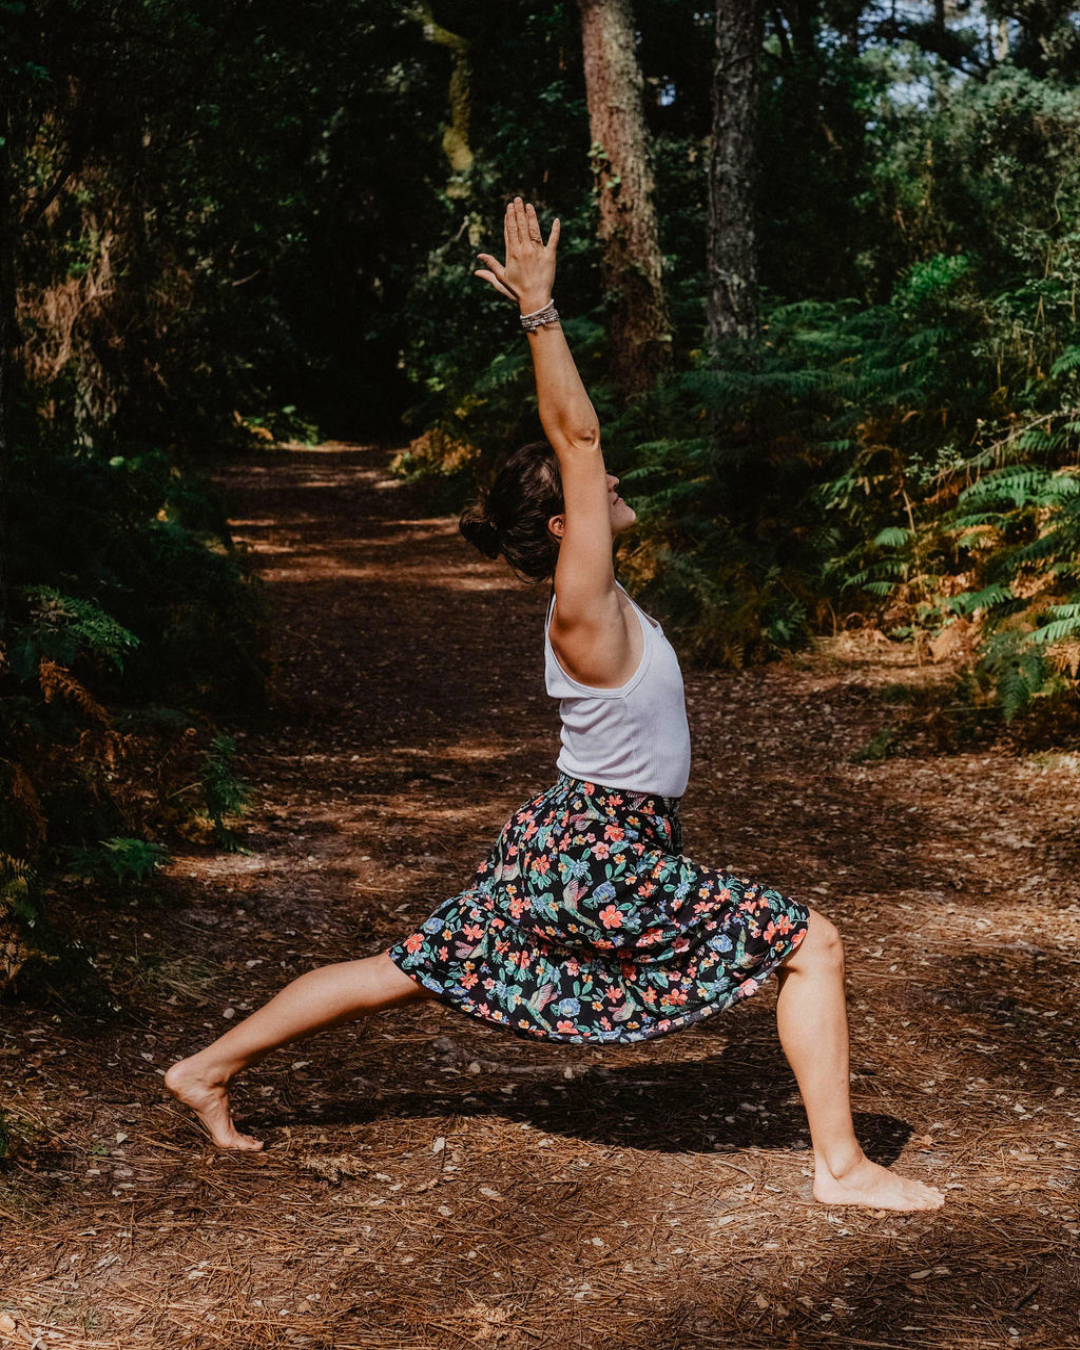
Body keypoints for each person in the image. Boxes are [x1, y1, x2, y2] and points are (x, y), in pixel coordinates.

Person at [166, 198, 944, 1212]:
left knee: (404, 967)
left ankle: (204, 1067)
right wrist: (541, 310)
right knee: (813, 942)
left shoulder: (599, 597)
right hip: (597, 851)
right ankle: (840, 1169)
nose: (611, 473)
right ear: (560, 521)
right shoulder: (581, 603)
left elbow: (582, 456)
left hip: (570, 839)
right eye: (589, 483)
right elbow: (576, 435)